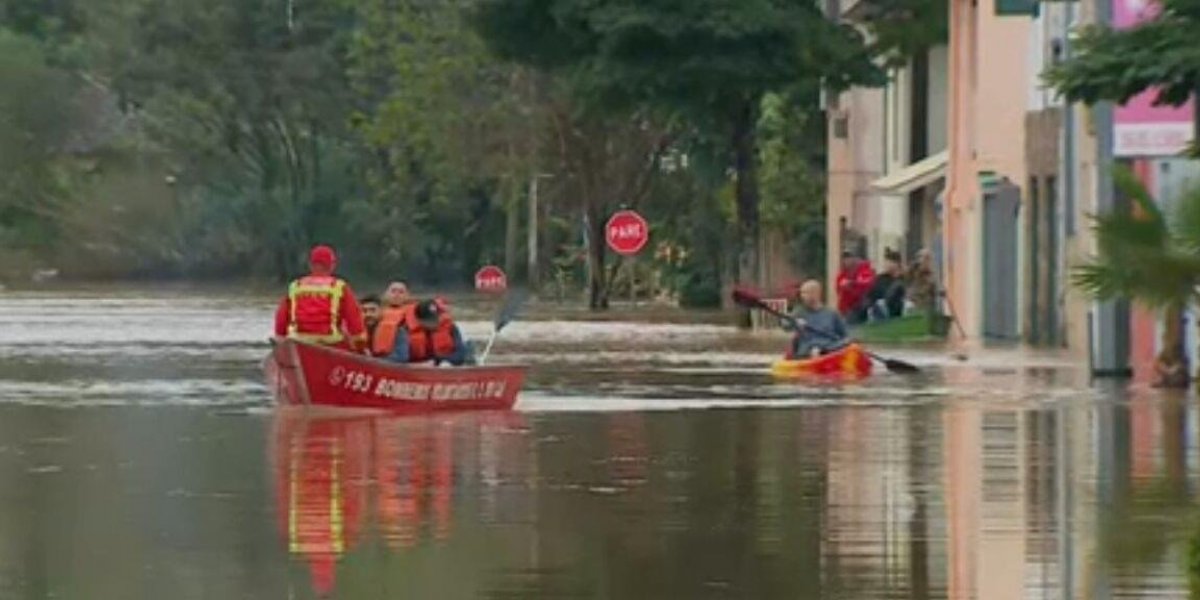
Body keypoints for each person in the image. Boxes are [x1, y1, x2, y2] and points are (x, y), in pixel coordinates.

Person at [274, 245, 368, 352]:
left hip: (298, 342)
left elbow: (281, 318)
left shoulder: (295, 286)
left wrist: (280, 339)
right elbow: (355, 320)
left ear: (310, 265)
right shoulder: (339, 286)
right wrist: (360, 347)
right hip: (332, 343)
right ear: (332, 265)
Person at [389, 299, 472, 366]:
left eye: (436, 319)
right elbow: (400, 359)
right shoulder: (403, 330)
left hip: (444, 366)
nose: (435, 323)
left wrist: (438, 361)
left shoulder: (450, 327)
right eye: (430, 321)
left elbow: (460, 355)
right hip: (415, 370)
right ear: (418, 320)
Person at [784, 280, 851, 359]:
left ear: (816, 294)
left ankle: (823, 352)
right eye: (802, 293)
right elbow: (785, 325)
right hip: (807, 351)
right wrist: (795, 322)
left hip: (828, 349)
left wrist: (824, 350)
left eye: (805, 293)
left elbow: (845, 336)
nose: (802, 296)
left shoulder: (832, 313)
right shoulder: (799, 312)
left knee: (848, 342)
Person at [371, 281, 418, 358]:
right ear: (386, 294)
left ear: (408, 296)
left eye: (401, 292)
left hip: (404, 355)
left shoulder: (416, 312)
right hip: (377, 354)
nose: (397, 294)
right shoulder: (376, 311)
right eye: (393, 291)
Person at [866, 249, 907, 320]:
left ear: (896, 264)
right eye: (886, 261)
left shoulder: (903, 279)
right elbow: (870, 295)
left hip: (897, 315)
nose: (886, 264)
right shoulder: (880, 279)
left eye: (889, 262)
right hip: (880, 315)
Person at [835, 251, 875, 323]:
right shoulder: (842, 275)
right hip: (845, 308)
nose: (847, 261)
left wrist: (852, 283)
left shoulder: (864, 270)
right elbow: (838, 290)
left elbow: (868, 283)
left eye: (849, 258)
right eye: (845, 259)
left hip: (860, 305)